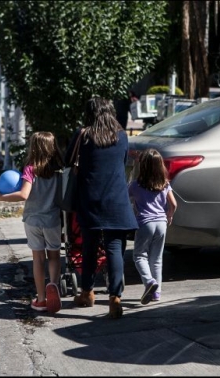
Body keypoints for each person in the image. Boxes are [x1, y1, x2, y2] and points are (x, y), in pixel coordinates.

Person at [66, 97, 138, 319]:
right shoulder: (122, 136)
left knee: (89, 247)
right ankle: (115, 298)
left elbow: (69, 160)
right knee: (115, 249)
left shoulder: (83, 135)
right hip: (116, 200)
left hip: (90, 200)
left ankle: (87, 293)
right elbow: (123, 161)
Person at [0, 131, 64, 314]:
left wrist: (1, 197)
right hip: (53, 220)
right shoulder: (59, 169)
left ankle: (41, 299)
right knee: (54, 256)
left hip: (33, 220)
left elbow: (24, 194)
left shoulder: (30, 169)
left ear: (34, 148)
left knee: (38, 259)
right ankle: (53, 286)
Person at [128, 148, 177, 305]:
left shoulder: (135, 185)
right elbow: (174, 204)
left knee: (139, 256)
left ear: (143, 167)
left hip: (145, 223)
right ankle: (157, 294)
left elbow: (124, 194)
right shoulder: (164, 184)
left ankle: (149, 282)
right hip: (162, 224)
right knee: (157, 259)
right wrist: (169, 214)